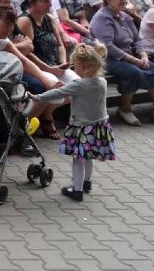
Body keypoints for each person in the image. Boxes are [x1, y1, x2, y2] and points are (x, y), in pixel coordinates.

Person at [26, 43, 114, 202]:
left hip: (81, 127)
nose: (73, 69)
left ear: (81, 65)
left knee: (78, 159)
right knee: (89, 157)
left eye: (74, 65)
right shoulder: (102, 81)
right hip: (99, 126)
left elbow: (57, 93)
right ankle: (87, 183)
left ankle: (77, 190)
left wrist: (36, 97)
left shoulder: (78, 84)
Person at [88, 0, 154, 127]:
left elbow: (137, 39)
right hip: (106, 58)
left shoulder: (124, 16)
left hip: (128, 54)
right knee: (134, 72)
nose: (124, 1)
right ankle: (124, 109)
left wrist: (143, 55)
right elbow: (108, 46)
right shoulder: (102, 17)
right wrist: (134, 60)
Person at [17, 0, 79, 139]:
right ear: (32, 2)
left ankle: (47, 113)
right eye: (45, 1)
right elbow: (27, 52)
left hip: (54, 64)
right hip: (36, 67)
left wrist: (63, 63)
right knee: (53, 88)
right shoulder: (25, 20)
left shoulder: (50, 19)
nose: (50, 5)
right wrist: (49, 69)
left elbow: (59, 44)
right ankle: (30, 124)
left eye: (50, 1)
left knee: (78, 86)